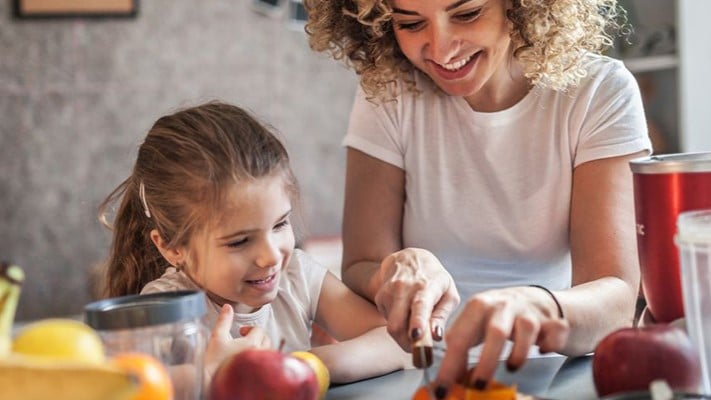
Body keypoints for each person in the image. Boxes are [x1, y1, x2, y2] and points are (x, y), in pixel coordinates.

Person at [304, 0, 651, 394]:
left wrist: (536, 306)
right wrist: (394, 268)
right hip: (415, 375)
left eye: (467, 14)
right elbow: (361, 264)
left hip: (549, 372)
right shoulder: (389, 91)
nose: (441, 48)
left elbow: (616, 300)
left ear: (522, 7)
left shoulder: (598, 91)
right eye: (411, 24)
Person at [98, 102, 409, 393]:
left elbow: (394, 343)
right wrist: (211, 373)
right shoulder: (165, 306)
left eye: (280, 225)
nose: (271, 255)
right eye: (240, 241)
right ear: (171, 248)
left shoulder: (298, 276)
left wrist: (299, 366)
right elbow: (124, 387)